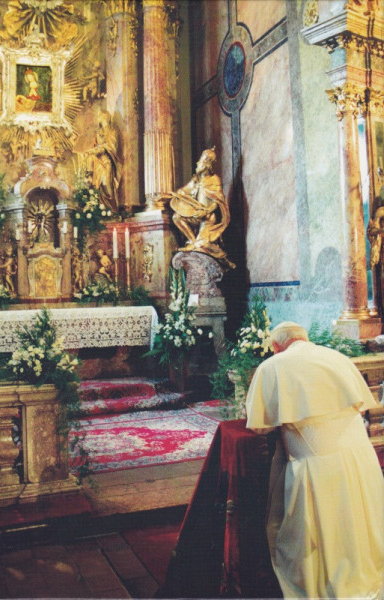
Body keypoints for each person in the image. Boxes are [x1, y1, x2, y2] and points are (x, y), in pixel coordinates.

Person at [245, 321, 384, 599]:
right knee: (360, 525)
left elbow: (259, 426)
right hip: (361, 459)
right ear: (304, 338)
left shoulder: (273, 366)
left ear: (276, 346)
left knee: (323, 540)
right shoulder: (337, 357)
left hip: (316, 468)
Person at [169, 146, 234, 268]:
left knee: (203, 245)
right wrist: (180, 193)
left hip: (208, 218)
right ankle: (192, 241)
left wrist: (206, 212)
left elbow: (217, 201)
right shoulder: (196, 180)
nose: (198, 163)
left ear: (207, 164)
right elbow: (184, 191)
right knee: (176, 217)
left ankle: (223, 258)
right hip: (196, 214)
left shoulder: (215, 180)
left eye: (201, 161)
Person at [85, 110, 121, 213]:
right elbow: (94, 146)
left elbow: (112, 146)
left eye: (102, 117)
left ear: (107, 118)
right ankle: (103, 209)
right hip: (97, 162)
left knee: (106, 184)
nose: (100, 119)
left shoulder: (112, 131)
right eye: (100, 118)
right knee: (97, 187)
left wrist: (99, 150)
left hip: (106, 160)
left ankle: (113, 209)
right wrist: (92, 151)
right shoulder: (98, 133)